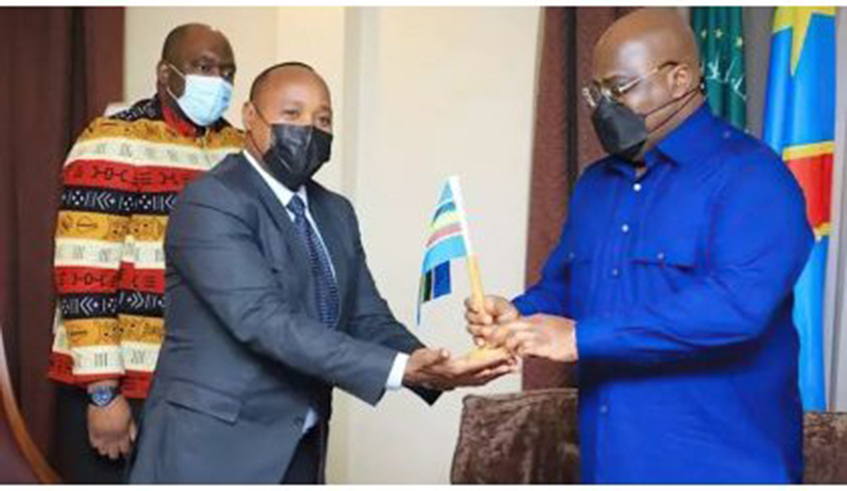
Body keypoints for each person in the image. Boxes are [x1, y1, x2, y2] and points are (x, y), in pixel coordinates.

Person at [466, 8, 812, 484]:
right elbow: (566, 289)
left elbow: (737, 308)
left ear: (681, 78)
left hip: (724, 467)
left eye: (619, 88)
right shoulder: (595, 185)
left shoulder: (754, 177)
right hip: (610, 465)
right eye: (597, 93)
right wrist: (518, 318)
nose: (603, 108)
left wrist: (579, 338)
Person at [128, 62, 515, 484]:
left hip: (300, 447)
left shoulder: (335, 212)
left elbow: (366, 317)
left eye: (323, 119)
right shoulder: (212, 201)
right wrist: (402, 370)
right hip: (210, 450)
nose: (309, 128)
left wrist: (437, 366)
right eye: (292, 114)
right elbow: (264, 321)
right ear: (250, 117)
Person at [48, 23, 244, 483]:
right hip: (121, 387)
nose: (218, 80)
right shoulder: (111, 140)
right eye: (203, 67)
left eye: (228, 72)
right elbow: (82, 271)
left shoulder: (236, 149)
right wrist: (102, 393)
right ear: (165, 73)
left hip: (200, 387)